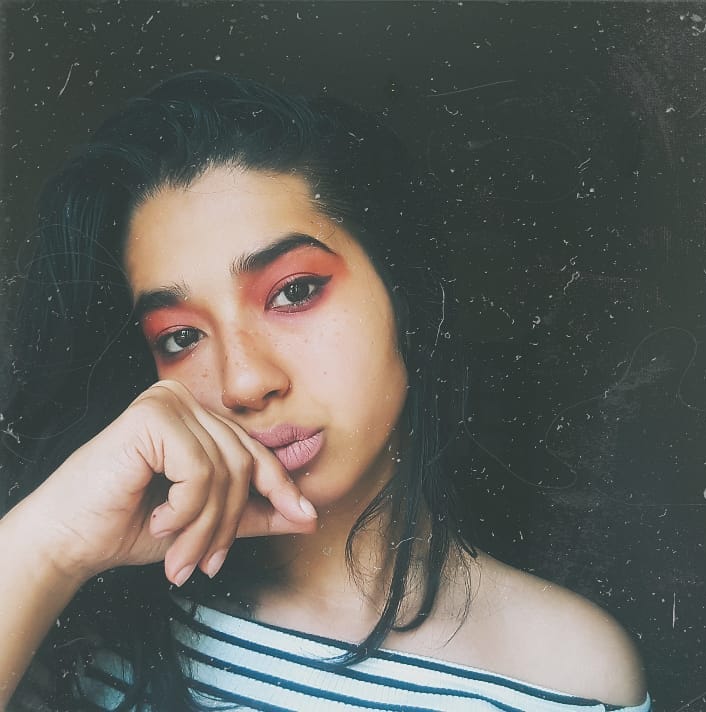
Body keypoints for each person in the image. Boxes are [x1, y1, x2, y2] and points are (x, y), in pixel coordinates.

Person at [0, 71, 650, 712]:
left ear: (403, 293)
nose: (244, 382)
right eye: (180, 337)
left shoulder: (568, 675)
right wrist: (52, 545)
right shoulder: (67, 628)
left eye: (295, 292)